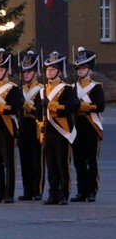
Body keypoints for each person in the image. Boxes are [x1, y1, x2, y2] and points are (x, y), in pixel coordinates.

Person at [40, 51, 79, 205]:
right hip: (48, 130)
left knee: (62, 163)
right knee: (50, 163)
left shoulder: (66, 89)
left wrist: (52, 105)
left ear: (59, 72)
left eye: (52, 69)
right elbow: (39, 111)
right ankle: (52, 193)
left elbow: (71, 106)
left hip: (61, 130)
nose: (49, 71)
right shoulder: (44, 90)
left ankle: (64, 193)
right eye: (48, 69)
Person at [0, 49, 24, 204]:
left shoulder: (13, 88)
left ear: (7, 71)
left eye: (1, 70)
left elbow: (16, 107)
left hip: (7, 128)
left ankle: (9, 193)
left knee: (8, 163)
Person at [71, 47, 105, 202]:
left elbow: (100, 106)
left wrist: (82, 107)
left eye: (83, 67)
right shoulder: (72, 88)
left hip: (91, 127)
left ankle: (92, 190)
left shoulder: (96, 87)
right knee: (78, 161)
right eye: (78, 67)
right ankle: (81, 191)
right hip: (77, 127)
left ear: (89, 69)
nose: (79, 70)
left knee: (91, 161)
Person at [17, 51, 44, 201]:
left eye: (29, 71)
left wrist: (29, 106)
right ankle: (27, 190)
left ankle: (37, 189)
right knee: (25, 159)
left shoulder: (41, 89)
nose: (26, 74)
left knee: (37, 159)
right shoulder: (21, 89)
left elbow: (41, 110)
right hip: (23, 125)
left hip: (36, 124)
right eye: (24, 72)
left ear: (36, 72)